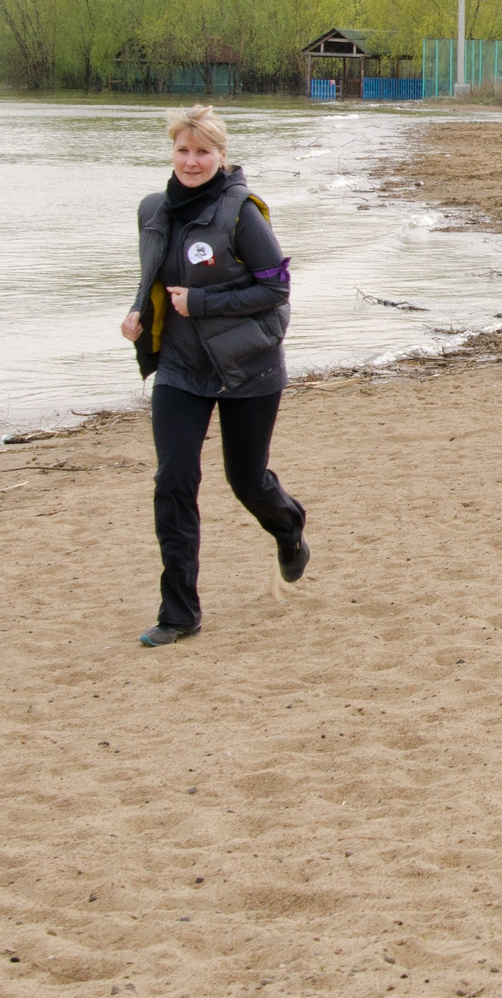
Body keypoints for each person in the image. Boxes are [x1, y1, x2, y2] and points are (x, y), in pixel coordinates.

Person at [120, 104, 309, 646]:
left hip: (248, 367)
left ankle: (288, 526)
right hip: (180, 369)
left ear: (221, 155)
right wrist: (139, 314)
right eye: (183, 149)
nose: (192, 160)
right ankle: (179, 612)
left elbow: (276, 289)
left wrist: (199, 302)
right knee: (173, 482)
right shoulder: (153, 209)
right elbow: (156, 279)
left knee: (246, 481)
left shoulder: (241, 212)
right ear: (171, 152)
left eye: (203, 151)